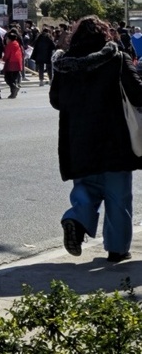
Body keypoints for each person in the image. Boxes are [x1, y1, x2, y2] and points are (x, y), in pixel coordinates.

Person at [50, 16, 142, 263]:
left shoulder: (64, 65)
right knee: (118, 196)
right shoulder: (117, 59)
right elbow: (137, 93)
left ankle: (76, 218)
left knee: (86, 187)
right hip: (115, 139)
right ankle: (117, 249)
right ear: (106, 35)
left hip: (78, 140)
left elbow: (56, 100)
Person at [2, 30, 24, 98]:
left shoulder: (9, 45)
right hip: (18, 63)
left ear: (9, 39)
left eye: (7, 39)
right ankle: (13, 93)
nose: (6, 40)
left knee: (8, 78)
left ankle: (14, 87)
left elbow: (6, 56)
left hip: (11, 63)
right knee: (14, 78)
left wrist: (3, 59)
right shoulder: (17, 44)